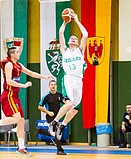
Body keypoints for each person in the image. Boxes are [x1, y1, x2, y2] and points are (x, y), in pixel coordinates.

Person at [0, 46, 53, 156]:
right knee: (17, 118)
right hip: (8, 95)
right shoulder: (8, 65)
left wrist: (45, 77)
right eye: (17, 52)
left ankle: (21, 147)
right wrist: (23, 85)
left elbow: (31, 73)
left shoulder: (18, 65)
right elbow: (8, 81)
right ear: (12, 54)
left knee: (21, 121)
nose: (19, 53)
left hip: (15, 96)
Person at [51, 12, 88, 140]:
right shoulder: (64, 50)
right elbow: (61, 33)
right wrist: (65, 23)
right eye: (71, 38)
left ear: (77, 43)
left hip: (79, 81)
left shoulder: (80, 50)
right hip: (68, 79)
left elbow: (86, 34)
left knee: (75, 109)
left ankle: (62, 125)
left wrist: (77, 20)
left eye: (75, 38)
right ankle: (54, 122)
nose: (73, 39)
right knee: (69, 103)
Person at [37, 80, 69, 155]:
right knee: (56, 133)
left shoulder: (59, 95)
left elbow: (64, 102)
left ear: (56, 86)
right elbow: (39, 106)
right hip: (50, 117)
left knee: (55, 133)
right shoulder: (46, 97)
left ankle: (41, 131)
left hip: (58, 117)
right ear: (49, 86)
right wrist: (48, 112)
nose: (53, 86)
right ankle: (59, 150)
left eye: (54, 84)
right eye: (51, 84)